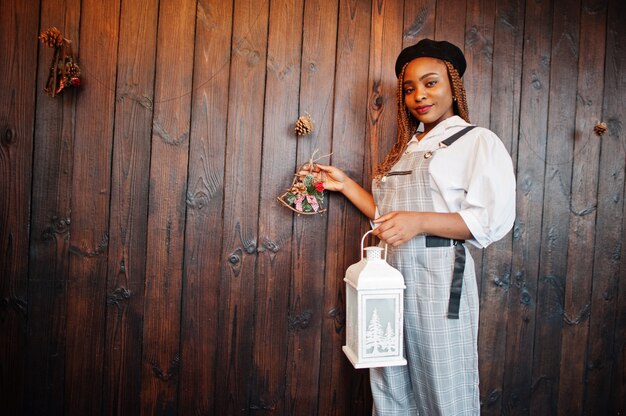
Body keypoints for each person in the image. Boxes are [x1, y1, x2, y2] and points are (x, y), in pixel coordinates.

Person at [309, 39, 516, 415]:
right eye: (409, 88)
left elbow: (490, 219)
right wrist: (345, 185)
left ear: (453, 85)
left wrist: (418, 221)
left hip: (438, 286)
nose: (419, 95)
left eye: (431, 83)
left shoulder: (475, 142)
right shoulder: (408, 147)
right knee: (391, 386)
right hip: (388, 283)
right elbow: (389, 219)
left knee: (442, 389)